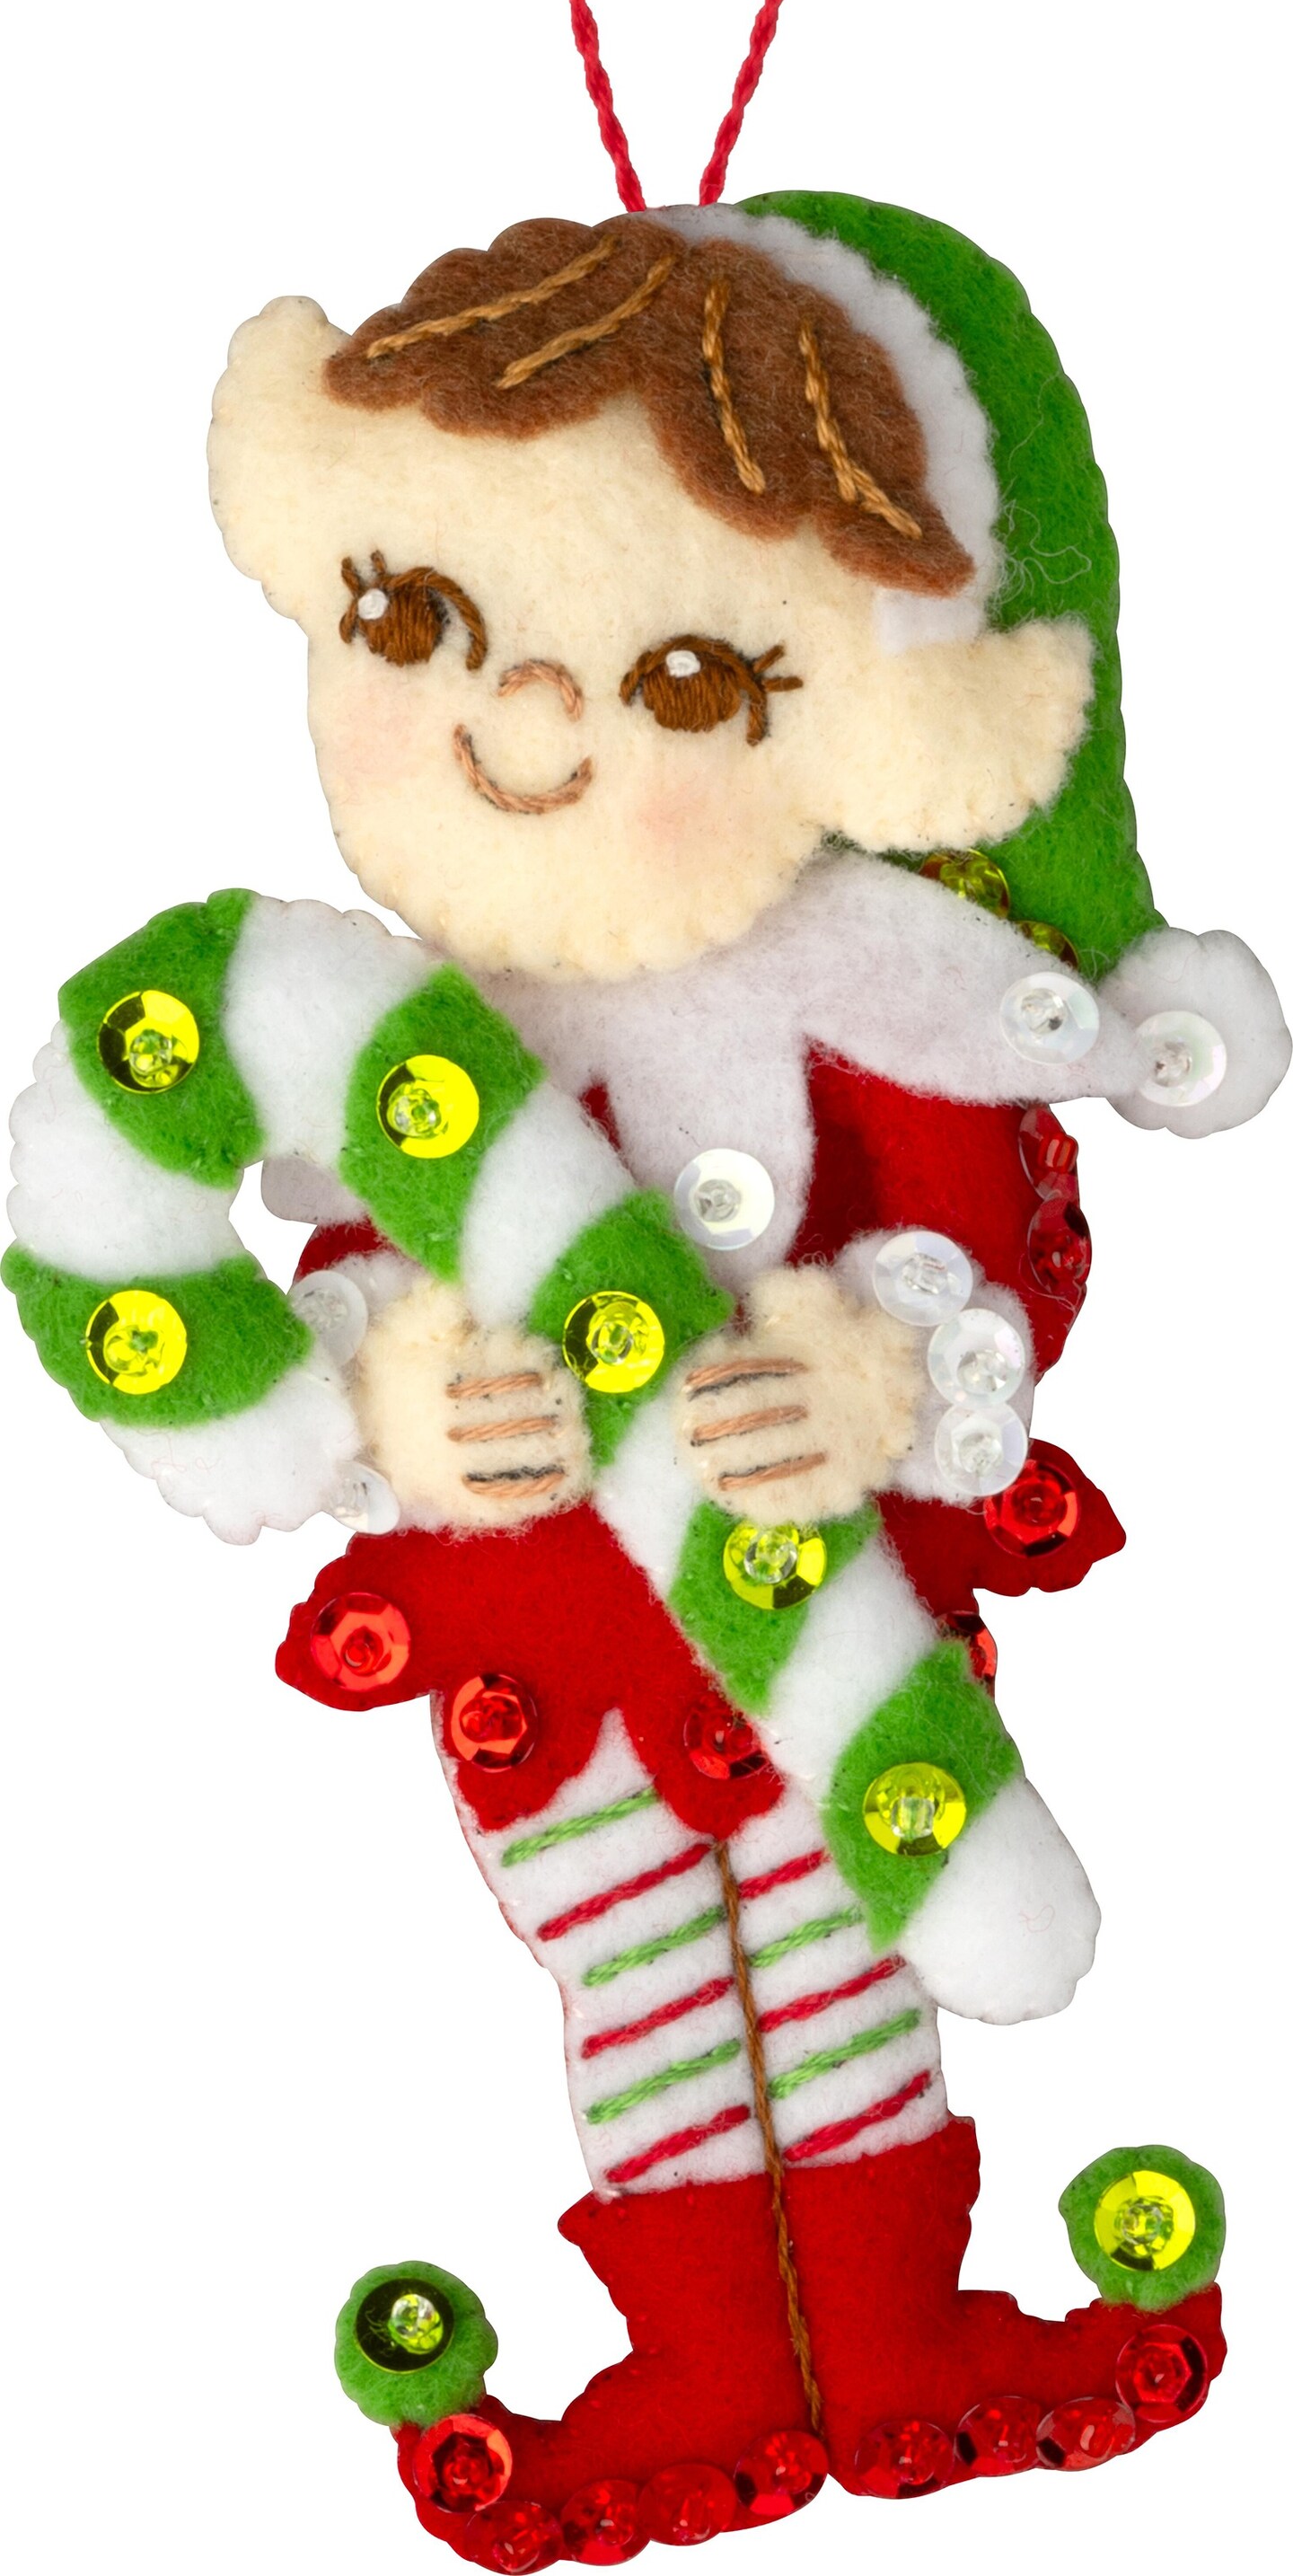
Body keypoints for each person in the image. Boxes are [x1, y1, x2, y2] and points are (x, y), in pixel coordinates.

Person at [7, 198, 1286, 2549]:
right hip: (558, 1631)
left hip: (831, 1612)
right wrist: (387, 1405)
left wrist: (879, 1376)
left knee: (834, 1946)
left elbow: (988, 1251)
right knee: (638, 1972)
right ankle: (708, 2364)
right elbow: (322, 1274)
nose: (518, 717)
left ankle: (893, 2334)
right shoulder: (389, 1037)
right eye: (416, 620)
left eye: (685, 676)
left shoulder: (877, 990)